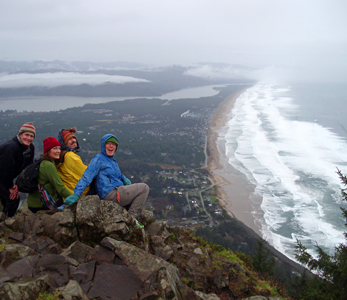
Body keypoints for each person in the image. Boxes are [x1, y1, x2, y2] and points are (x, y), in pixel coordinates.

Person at [64, 134, 149, 228]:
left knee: (138, 192)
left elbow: (115, 175)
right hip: (110, 194)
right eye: (108, 143)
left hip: (117, 190)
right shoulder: (98, 159)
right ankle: (132, 220)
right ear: (103, 145)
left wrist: (123, 178)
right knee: (144, 188)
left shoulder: (112, 161)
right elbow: (87, 176)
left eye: (113, 144)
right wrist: (77, 193)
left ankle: (129, 216)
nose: (111, 146)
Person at [27, 137, 72, 214]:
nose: (58, 151)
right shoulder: (48, 165)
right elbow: (60, 188)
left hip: (34, 203)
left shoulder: (43, 161)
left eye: (59, 148)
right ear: (48, 151)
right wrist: (76, 199)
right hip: (41, 204)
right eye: (55, 148)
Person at [0, 122, 36, 217]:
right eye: (26, 135)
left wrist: (18, 185)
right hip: (2, 177)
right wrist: (10, 187)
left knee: (13, 199)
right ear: (19, 134)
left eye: (31, 136)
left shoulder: (30, 148)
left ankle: (6, 220)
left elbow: (28, 168)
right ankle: (5, 223)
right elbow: (5, 169)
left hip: (6, 177)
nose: (28, 138)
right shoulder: (12, 147)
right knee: (11, 199)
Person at [56, 127, 90, 196]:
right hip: (78, 194)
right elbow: (86, 173)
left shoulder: (61, 155)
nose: (73, 141)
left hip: (69, 192)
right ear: (64, 143)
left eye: (73, 138)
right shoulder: (70, 156)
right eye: (69, 139)